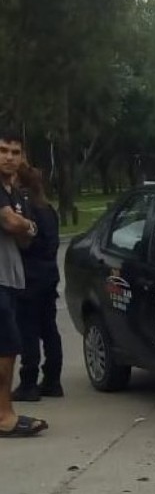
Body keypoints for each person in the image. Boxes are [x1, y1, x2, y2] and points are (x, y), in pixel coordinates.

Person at [0, 127, 48, 436]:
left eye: (15, 152)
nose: (9, 157)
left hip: (10, 277)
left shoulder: (13, 191)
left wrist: (25, 228)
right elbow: (12, 222)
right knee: (6, 349)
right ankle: (4, 416)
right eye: (3, 150)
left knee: (7, 348)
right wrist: (26, 226)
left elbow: (26, 239)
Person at [11, 164, 63, 401]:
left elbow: (24, 240)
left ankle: (28, 382)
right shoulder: (48, 208)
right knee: (49, 328)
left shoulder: (24, 208)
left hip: (29, 276)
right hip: (48, 275)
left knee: (28, 331)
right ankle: (52, 380)